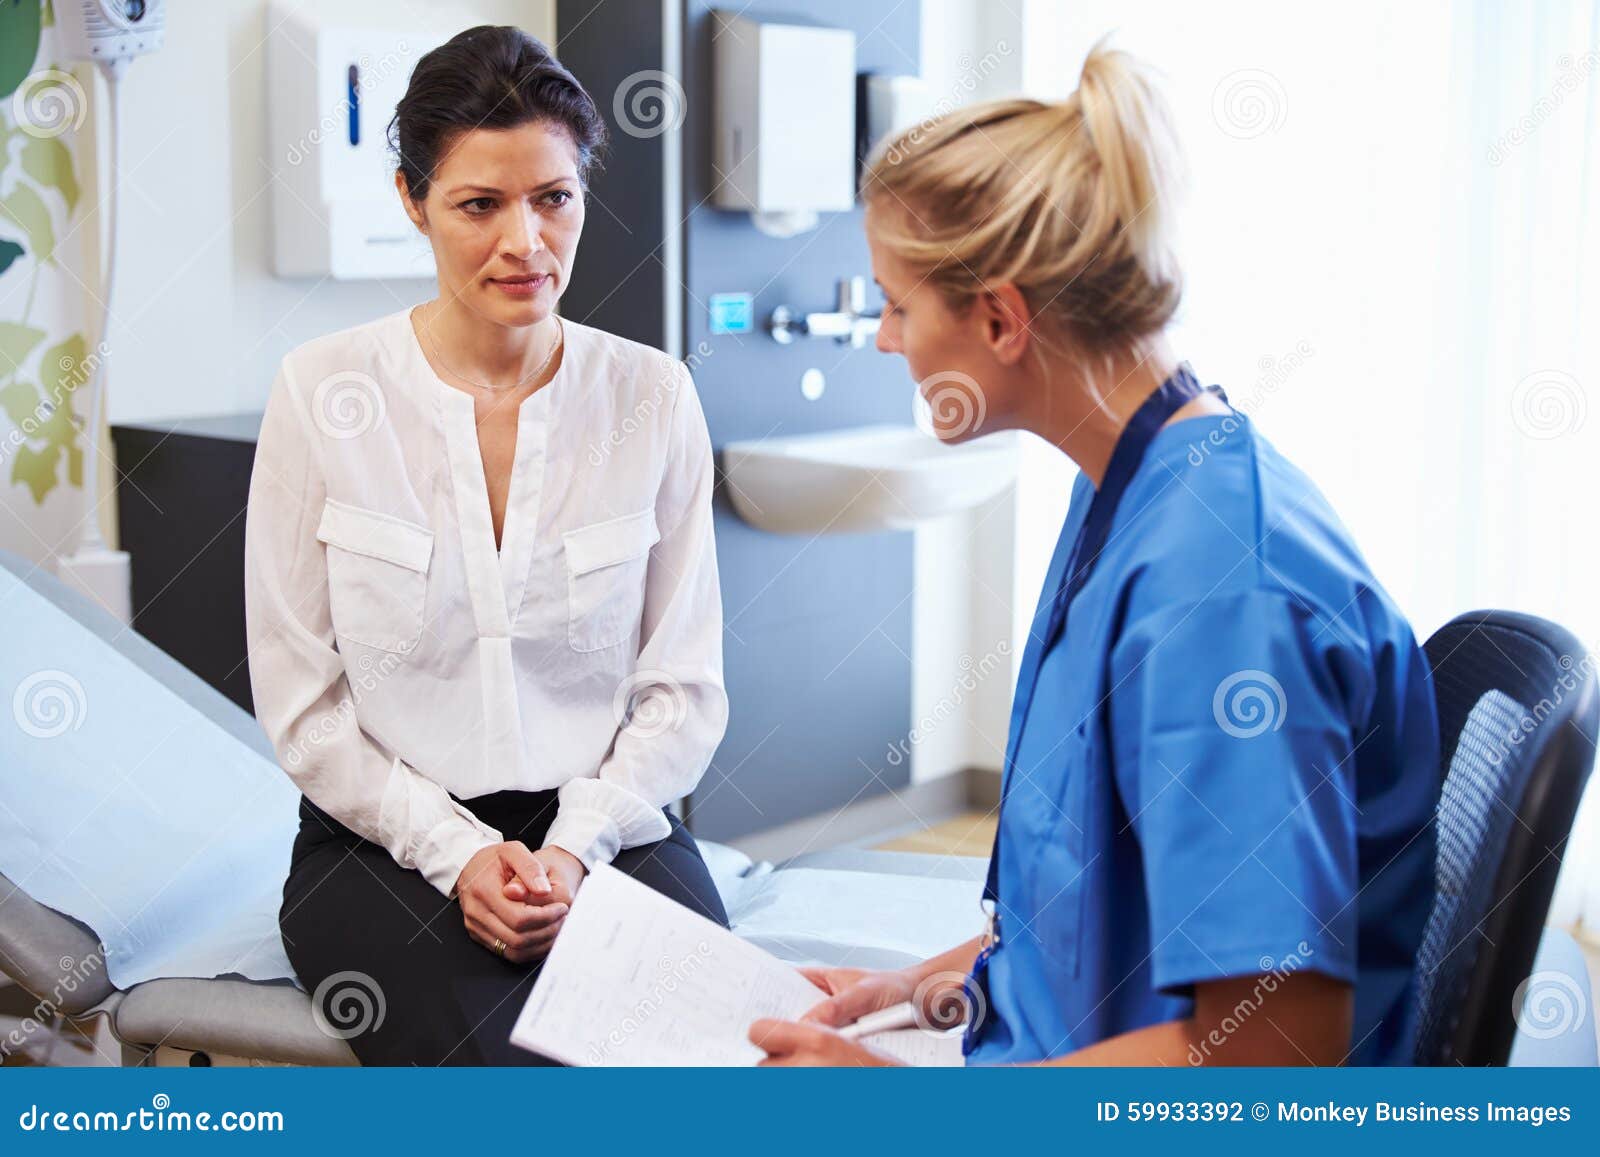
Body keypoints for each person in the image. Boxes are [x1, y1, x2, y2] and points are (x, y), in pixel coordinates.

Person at [752, 41, 1440, 1067]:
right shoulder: (1132, 487)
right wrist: (927, 985)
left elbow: (1274, 1049)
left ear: (998, 317)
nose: (886, 340)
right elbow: (1091, 890)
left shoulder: (1220, 593)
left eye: (896, 303)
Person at [245, 26, 728, 1065]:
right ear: (412, 201)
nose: (527, 241)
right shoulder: (321, 393)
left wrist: (573, 846)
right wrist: (458, 851)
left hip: (606, 826)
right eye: (479, 205)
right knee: (520, 1069)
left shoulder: (652, 396)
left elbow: (681, 686)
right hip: (379, 839)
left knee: (714, 1054)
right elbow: (301, 699)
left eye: (554, 197)